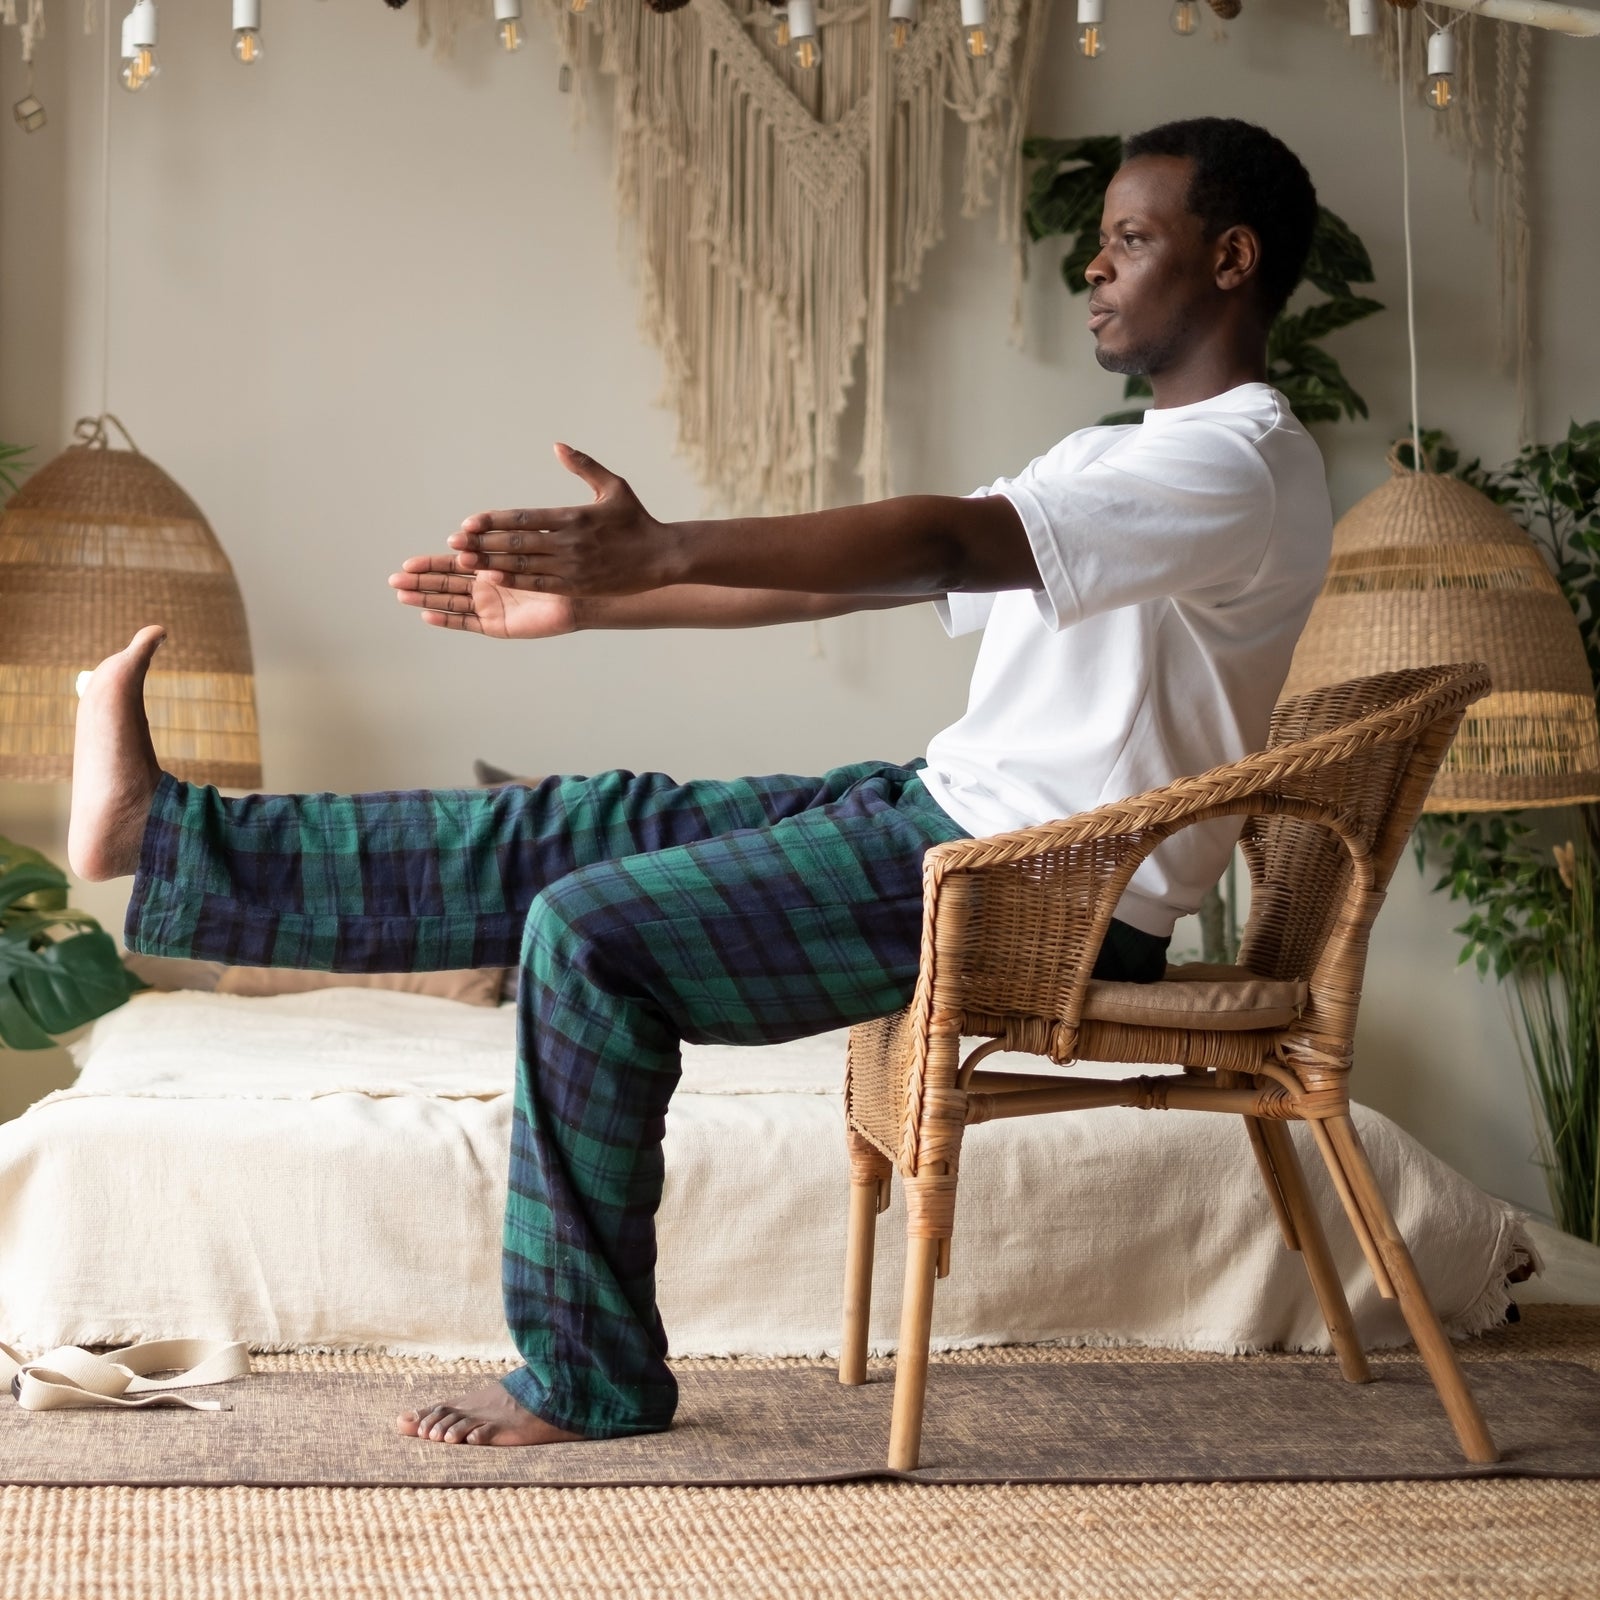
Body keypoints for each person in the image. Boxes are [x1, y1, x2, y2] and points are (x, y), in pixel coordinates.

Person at [68, 116, 1332, 1449]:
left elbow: (940, 537)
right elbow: (902, 568)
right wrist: (600, 606)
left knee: (592, 935)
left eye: (1131, 239)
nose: (1095, 268)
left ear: (1232, 257)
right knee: (580, 828)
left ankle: (586, 1377)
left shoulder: (1236, 465)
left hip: (1042, 892)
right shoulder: (1120, 456)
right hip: (952, 820)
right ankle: (165, 835)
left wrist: (661, 548)